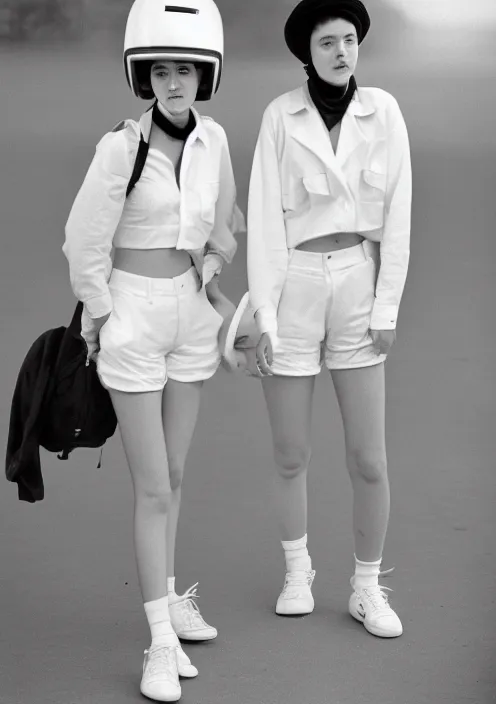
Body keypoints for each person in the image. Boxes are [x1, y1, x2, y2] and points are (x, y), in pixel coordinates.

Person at [63, 0, 244, 699]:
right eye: (161, 71)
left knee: (173, 470)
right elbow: (84, 241)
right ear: (144, 77)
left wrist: (215, 272)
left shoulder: (216, 141)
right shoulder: (121, 146)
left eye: (186, 71)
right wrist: (105, 317)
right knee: (153, 487)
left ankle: (168, 600)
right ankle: (160, 644)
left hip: (191, 319)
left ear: (205, 76)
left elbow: (224, 220)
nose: (174, 83)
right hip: (133, 315)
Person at [233, 0, 411, 639]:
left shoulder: (383, 111)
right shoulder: (281, 116)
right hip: (294, 288)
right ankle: (297, 571)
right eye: (327, 42)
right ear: (305, 52)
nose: (341, 51)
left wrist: (386, 306)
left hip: (358, 285)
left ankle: (367, 586)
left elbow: (398, 217)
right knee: (290, 453)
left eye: (349, 40)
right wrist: (267, 315)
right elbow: (263, 223)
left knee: (370, 458)